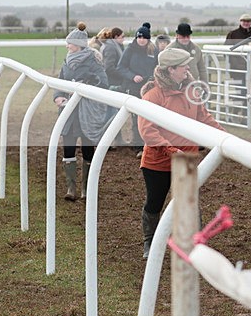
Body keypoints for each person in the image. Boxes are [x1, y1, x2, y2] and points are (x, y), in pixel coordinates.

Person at [137, 48, 225, 258]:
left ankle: (197, 244)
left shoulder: (192, 92)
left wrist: (225, 137)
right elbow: (148, 131)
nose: (188, 68)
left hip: (185, 159)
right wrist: (171, 150)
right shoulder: (152, 96)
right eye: (184, 65)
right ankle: (150, 242)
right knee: (155, 202)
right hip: (158, 163)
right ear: (171, 70)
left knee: (189, 201)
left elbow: (204, 118)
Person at [53, 26, 109, 201]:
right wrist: (57, 97)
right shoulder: (67, 61)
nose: (67, 46)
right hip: (68, 112)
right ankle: (71, 188)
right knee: (68, 148)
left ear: (78, 44)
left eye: (69, 43)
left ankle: (86, 188)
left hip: (86, 113)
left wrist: (87, 85)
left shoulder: (93, 60)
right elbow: (60, 82)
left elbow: (104, 83)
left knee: (87, 150)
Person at [118, 23, 159, 157]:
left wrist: (152, 78)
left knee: (150, 117)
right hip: (133, 88)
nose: (141, 40)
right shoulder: (130, 50)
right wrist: (132, 76)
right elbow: (121, 67)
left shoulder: (153, 51)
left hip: (149, 88)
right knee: (136, 118)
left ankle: (150, 144)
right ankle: (138, 146)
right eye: (139, 37)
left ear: (148, 39)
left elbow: (157, 67)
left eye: (143, 37)